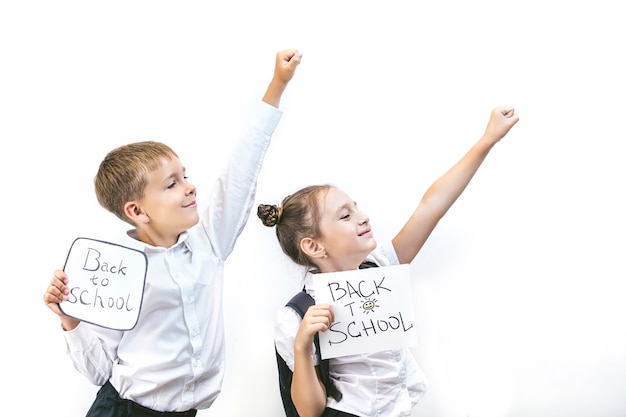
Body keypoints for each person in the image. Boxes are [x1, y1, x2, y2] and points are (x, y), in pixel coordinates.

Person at [43, 48, 302, 417]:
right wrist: (70, 318)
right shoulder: (117, 270)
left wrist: (277, 85)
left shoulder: (209, 243)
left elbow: (241, 171)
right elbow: (99, 371)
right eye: (171, 185)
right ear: (136, 211)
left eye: (186, 176)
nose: (190, 187)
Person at [257, 106, 520, 417]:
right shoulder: (295, 317)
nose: (362, 216)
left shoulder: (380, 266)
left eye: (356, 208)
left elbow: (430, 206)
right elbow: (309, 411)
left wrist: (486, 140)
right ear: (314, 245)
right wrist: (302, 346)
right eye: (345, 215)